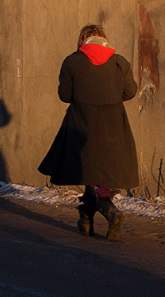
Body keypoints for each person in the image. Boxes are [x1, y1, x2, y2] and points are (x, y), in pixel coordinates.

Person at [38, 24, 140, 239]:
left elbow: (65, 95)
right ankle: (86, 217)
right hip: (113, 127)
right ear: (104, 39)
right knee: (97, 174)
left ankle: (111, 213)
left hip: (81, 126)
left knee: (90, 170)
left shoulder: (72, 61)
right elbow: (130, 91)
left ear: (82, 41)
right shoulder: (119, 62)